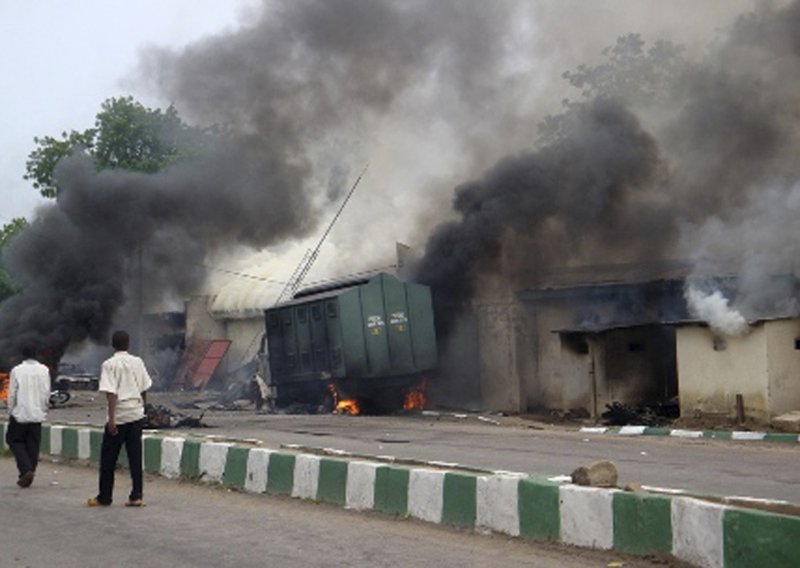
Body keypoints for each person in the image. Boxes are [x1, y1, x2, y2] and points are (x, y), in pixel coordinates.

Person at [87, 330, 152, 507]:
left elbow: (111, 394)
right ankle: (137, 496)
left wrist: (112, 419)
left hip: (121, 415)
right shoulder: (137, 362)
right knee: (135, 458)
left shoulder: (109, 364)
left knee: (108, 459)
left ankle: (104, 497)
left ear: (113, 345)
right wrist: (143, 409)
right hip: (136, 414)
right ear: (128, 344)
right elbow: (144, 387)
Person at [6, 345, 51, 488]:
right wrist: (43, 410)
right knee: (33, 445)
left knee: (14, 441)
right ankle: (28, 472)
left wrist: (10, 410)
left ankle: (26, 470)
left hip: (20, 414)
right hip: (37, 414)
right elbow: (46, 392)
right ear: (36, 355)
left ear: (23, 356)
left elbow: (12, 393)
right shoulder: (44, 370)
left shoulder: (17, 370)